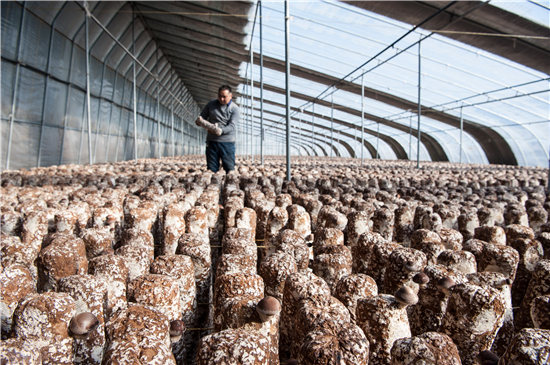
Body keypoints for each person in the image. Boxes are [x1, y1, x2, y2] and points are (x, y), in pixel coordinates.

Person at [195, 85, 239, 173]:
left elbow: (232, 126)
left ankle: (230, 186)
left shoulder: (234, 108)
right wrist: (200, 122)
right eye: (220, 96)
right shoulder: (211, 104)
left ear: (230, 96)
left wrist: (220, 131)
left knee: (229, 169)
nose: (221, 99)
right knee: (211, 169)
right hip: (212, 142)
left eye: (224, 96)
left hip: (227, 143)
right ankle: (213, 186)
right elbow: (202, 117)